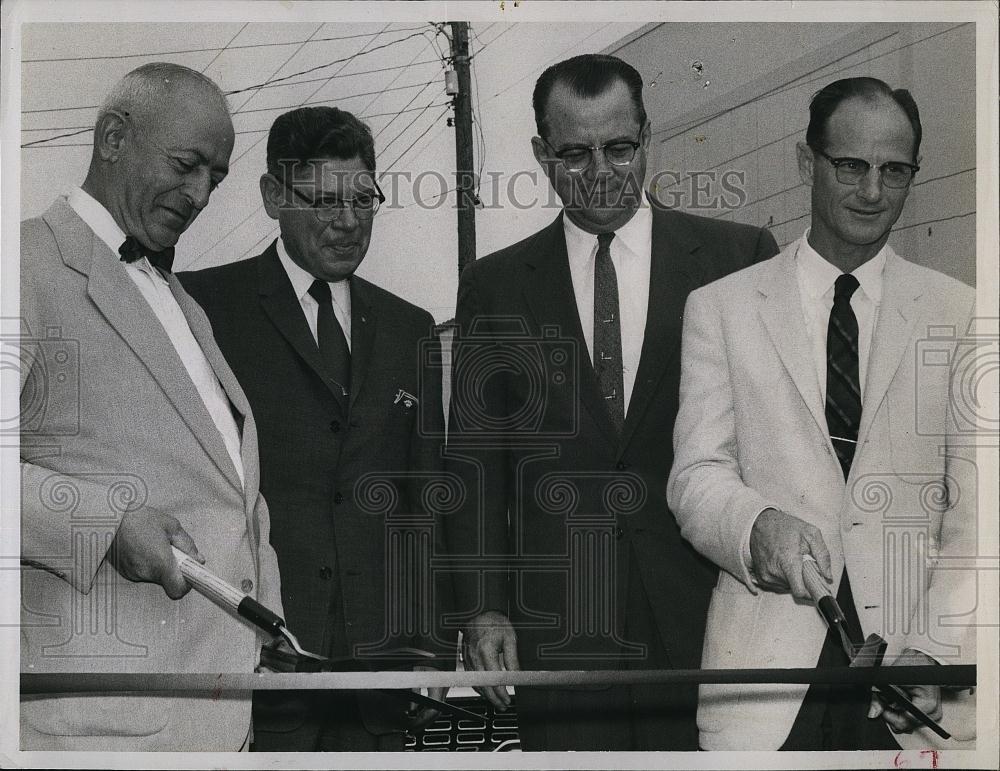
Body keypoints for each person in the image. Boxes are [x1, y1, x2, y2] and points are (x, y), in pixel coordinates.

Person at [445, 53, 778, 751]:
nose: (599, 170)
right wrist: (483, 609)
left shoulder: (737, 258)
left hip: (710, 617)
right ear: (541, 154)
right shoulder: (495, 286)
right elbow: (478, 467)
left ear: (647, 136)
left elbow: (776, 448)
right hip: (562, 630)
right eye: (574, 153)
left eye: (619, 148)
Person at [668, 77, 977, 750]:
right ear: (807, 163)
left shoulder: (960, 314)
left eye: (895, 171)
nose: (872, 192)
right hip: (766, 695)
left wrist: (933, 647)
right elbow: (696, 476)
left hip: (912, 692)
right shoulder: (720, 307)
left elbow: (980, 514)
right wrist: (757, 527)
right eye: (851, 167)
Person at [19, 62, 282, 751]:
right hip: (97, 731)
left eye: (216, 179)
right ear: (112, 138)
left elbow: (230, 495)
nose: (199, 195)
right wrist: (104, 524)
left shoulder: (182, 299)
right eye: (187, 164)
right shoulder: (17, 264)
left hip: (216, 719)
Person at [178, 106, 454, 752]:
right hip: (255, 668)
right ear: (274, 196)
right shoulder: (203, 308)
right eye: (324, 200)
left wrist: (435, 643)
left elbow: (427, 495)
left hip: (383, 677)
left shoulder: (411, 326)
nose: (348, 220)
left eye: (363, 198)